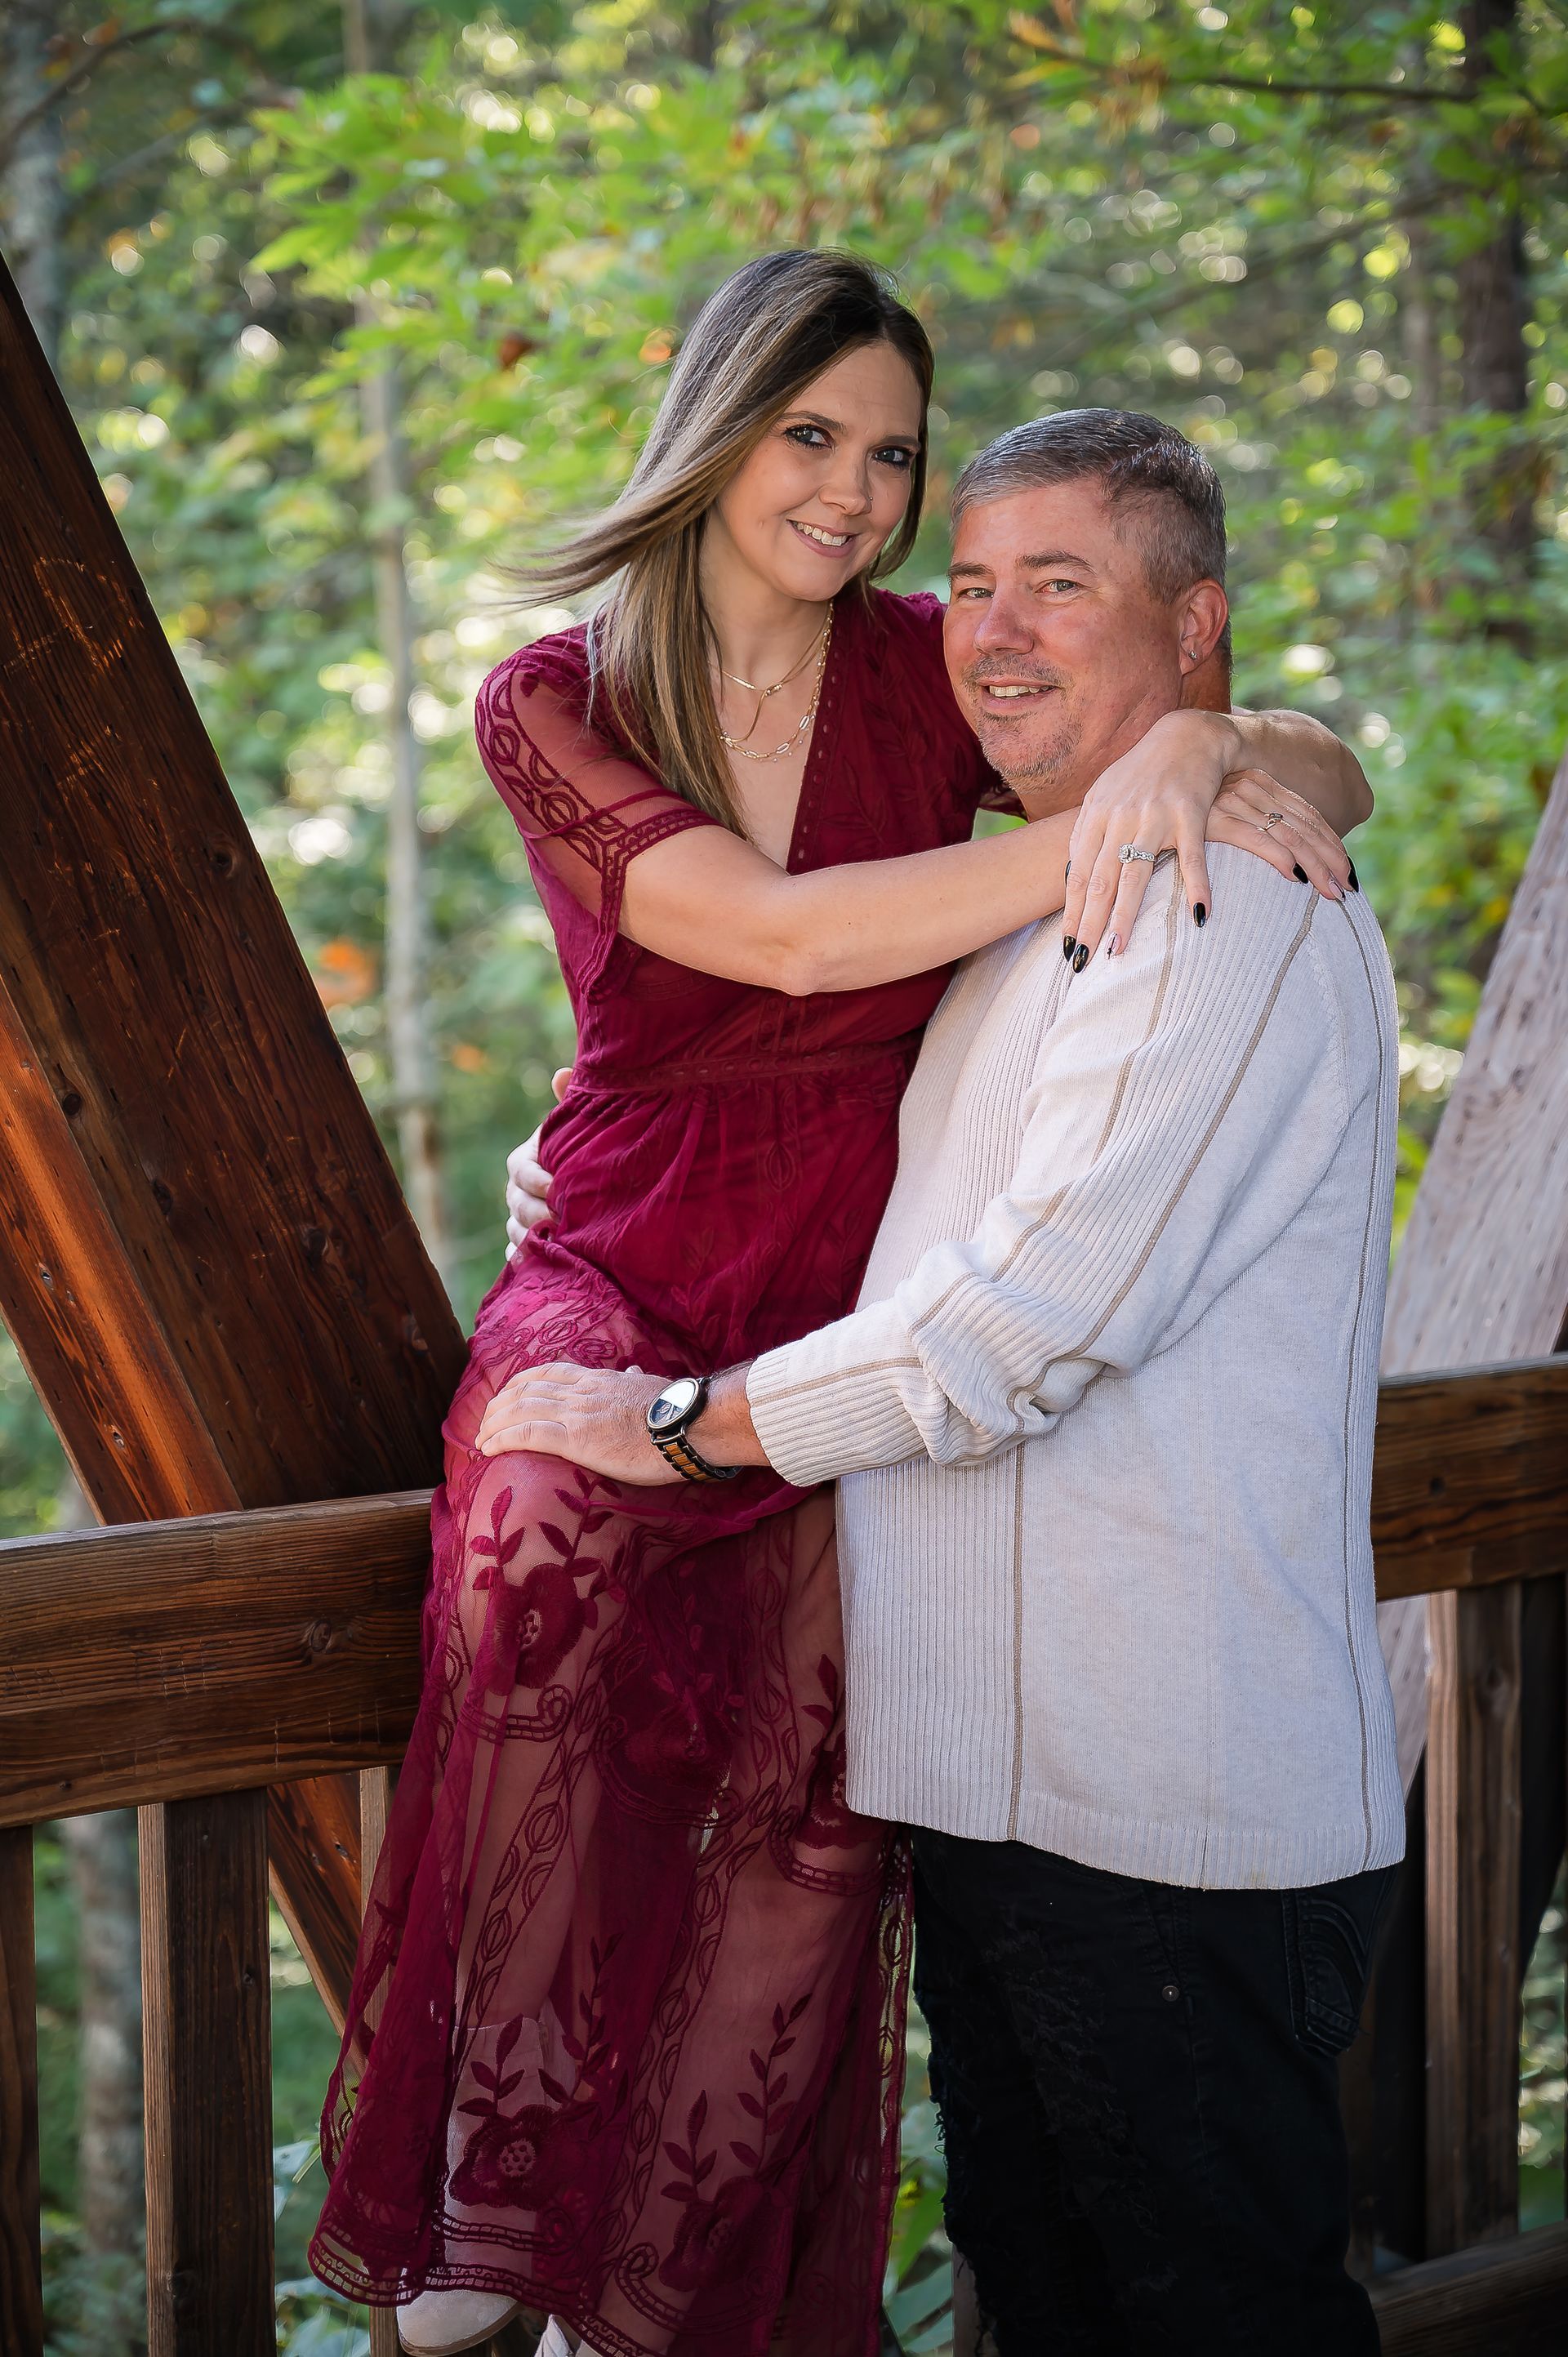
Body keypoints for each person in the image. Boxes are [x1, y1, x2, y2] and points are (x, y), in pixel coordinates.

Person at [307, 247, 1367, 2357]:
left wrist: (1215, 753)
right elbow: (776, 942)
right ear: (716, 428)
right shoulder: (563, 692)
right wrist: (1132, 817)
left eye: (891, 456)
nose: (859, 496)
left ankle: (677, 2280)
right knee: (540, 1548)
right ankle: (495, 2185)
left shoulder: (928, 666)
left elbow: (1280, 746)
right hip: (631, 1233)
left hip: (852, 1263)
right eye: (815, 437)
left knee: (811, 1800)